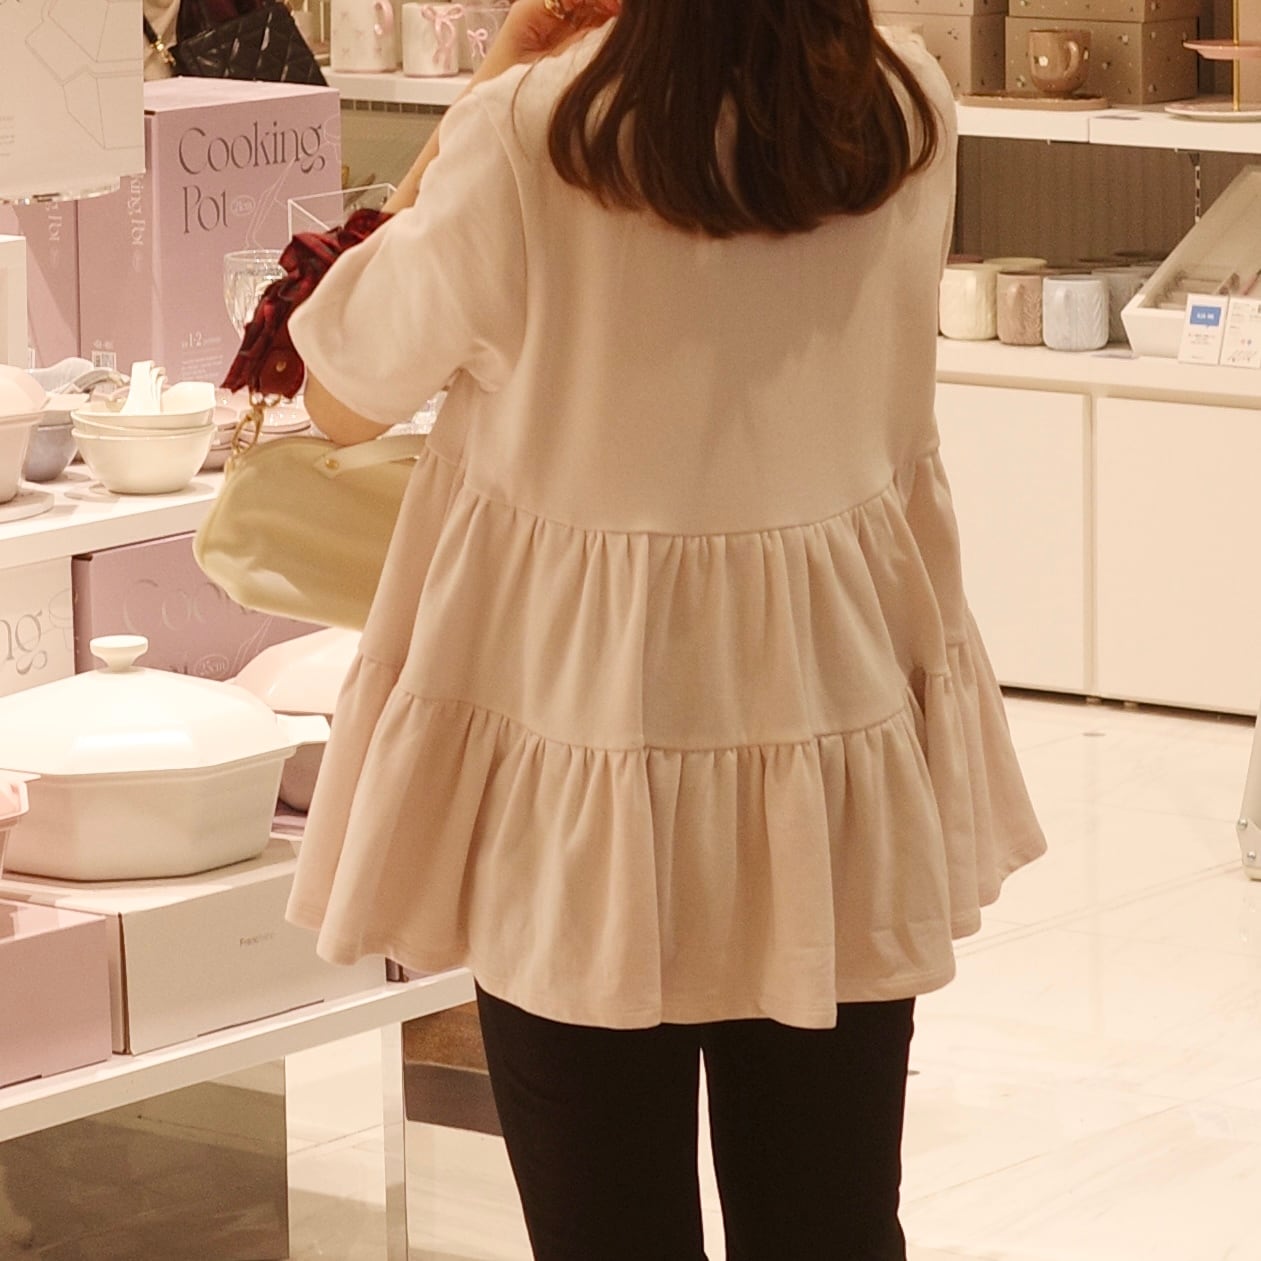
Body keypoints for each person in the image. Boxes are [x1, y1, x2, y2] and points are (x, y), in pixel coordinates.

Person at [284, 1, 1047, 1256]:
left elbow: (341, 392)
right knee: (830, 1221)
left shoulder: (529, 132)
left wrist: (486, 84)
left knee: (605, 1224)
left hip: (581, 739)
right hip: (828, 716)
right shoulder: (900, 103)